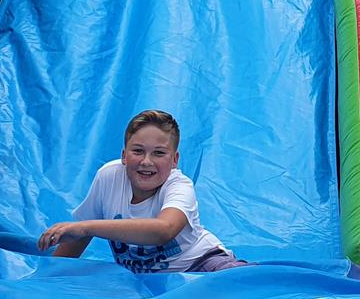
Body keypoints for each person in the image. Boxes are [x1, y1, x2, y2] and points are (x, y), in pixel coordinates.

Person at [37, 110, 248, 273]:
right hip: (150, 279)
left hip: (201, 263)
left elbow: (164, 230)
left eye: (159, 153)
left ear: (174, 160)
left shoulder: (179, 186)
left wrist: (86, 228)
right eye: (138, 151)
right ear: (124, 155)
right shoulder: (108, 177)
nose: (147, 161)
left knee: (240, 281)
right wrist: (49, 275)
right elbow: (78, 239)